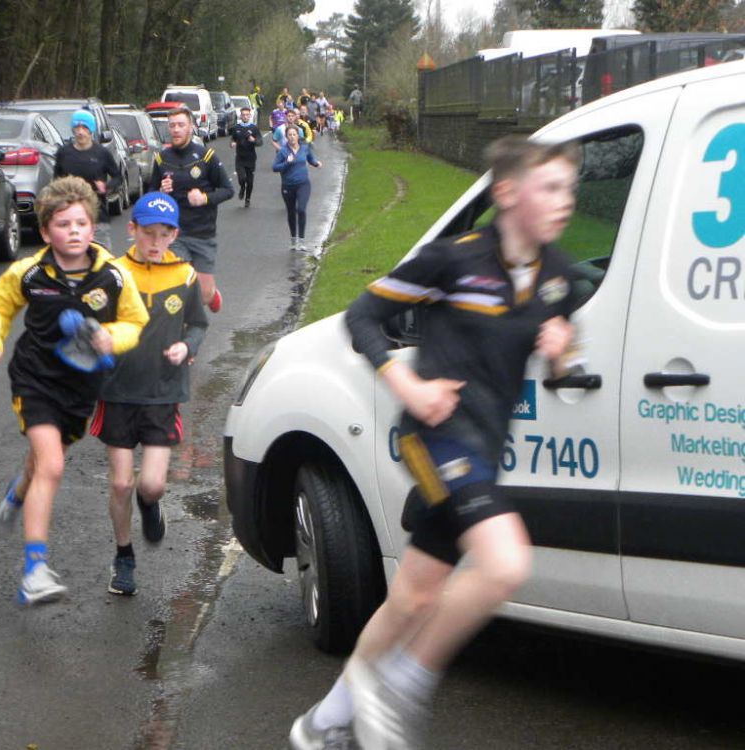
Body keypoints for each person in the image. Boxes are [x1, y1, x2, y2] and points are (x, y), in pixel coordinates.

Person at [288, 136, 582, 750]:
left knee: (413, 597)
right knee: (505, 562)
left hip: (484, 449)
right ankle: (403, 682)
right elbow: (362, 316)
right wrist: (408, 384)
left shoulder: (556, 275)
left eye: (570, 189)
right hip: (434, 436)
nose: (566, 201)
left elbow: (560, 368)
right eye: (551, 188)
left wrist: (559, 354)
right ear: (508, 192)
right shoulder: (455, 260)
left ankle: (323, 722)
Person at [0, 176, 149, 605]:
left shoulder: (113, 275)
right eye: (62, 224)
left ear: (93, 227)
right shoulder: (29, 272)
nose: (73, 231)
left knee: (42, 462)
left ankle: (15, 498)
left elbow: (135, 322)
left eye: (81, 223)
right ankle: (35, 571)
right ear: (45, 230)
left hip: (80, 388)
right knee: (52, 465)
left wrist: (111, 337)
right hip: (34, 380)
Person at [89, 191, 209, 596]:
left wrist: (187, 347)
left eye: (164, 234)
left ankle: (149, 504)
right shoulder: (114, 274)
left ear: (174, 235)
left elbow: (198, 323)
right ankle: (124, 557)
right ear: (132, 230)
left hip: (163, 392)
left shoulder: (185, 276)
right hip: (117, 391)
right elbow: (91, 320)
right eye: (148, 233)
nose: (155, 242)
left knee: (151, 485)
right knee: (121, 484)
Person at [149, 106, 234, 314]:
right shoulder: (162, 159)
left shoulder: (206, 157)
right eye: (172, 126)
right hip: (174, 233)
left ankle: (211, 294)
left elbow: (228, 190)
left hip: (202, 232)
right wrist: (160, 192)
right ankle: (182, 325)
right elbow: (149, 196)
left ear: (190, 127)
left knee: (204, 294)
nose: (176, 129)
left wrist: (204, 198)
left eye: (181, 125)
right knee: (177, 288)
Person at [53, 109, 121, 250]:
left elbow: (117, 177)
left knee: (101, 256)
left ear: (91, 130)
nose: (80, 132)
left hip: (97, 216)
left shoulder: (102, 153)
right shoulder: (64, 153)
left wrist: (106, 187)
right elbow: (55, 182)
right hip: (70, 217)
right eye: (77, 128)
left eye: (84, 128)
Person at [272, 123, 321, 252]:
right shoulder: (283, 151)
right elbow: (275, 167)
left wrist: (316, 163)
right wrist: (286, 163)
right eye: (289, 135)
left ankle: (302, 241)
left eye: (294, 134)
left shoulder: (304, 148)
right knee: (291, 211)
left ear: (298, 136)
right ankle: (293, 240)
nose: (292, 137)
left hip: (303, 184)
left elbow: (310, 159)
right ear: (286, 137)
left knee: (301, 209)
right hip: (288, 186)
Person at [229, 106, 264, 207]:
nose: (245, 116)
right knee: (242, 178)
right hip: (240, 158)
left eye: (247, 115)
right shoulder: (236, 128)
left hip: (251, 158)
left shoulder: (254, 128)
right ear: (240, 116)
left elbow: (260, 142)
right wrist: (232, 143)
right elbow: (232, 139)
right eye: (243, 115)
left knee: (250, 181)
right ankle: (242, 187)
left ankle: (247, 198)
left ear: (250, 116)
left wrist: (254, 140)